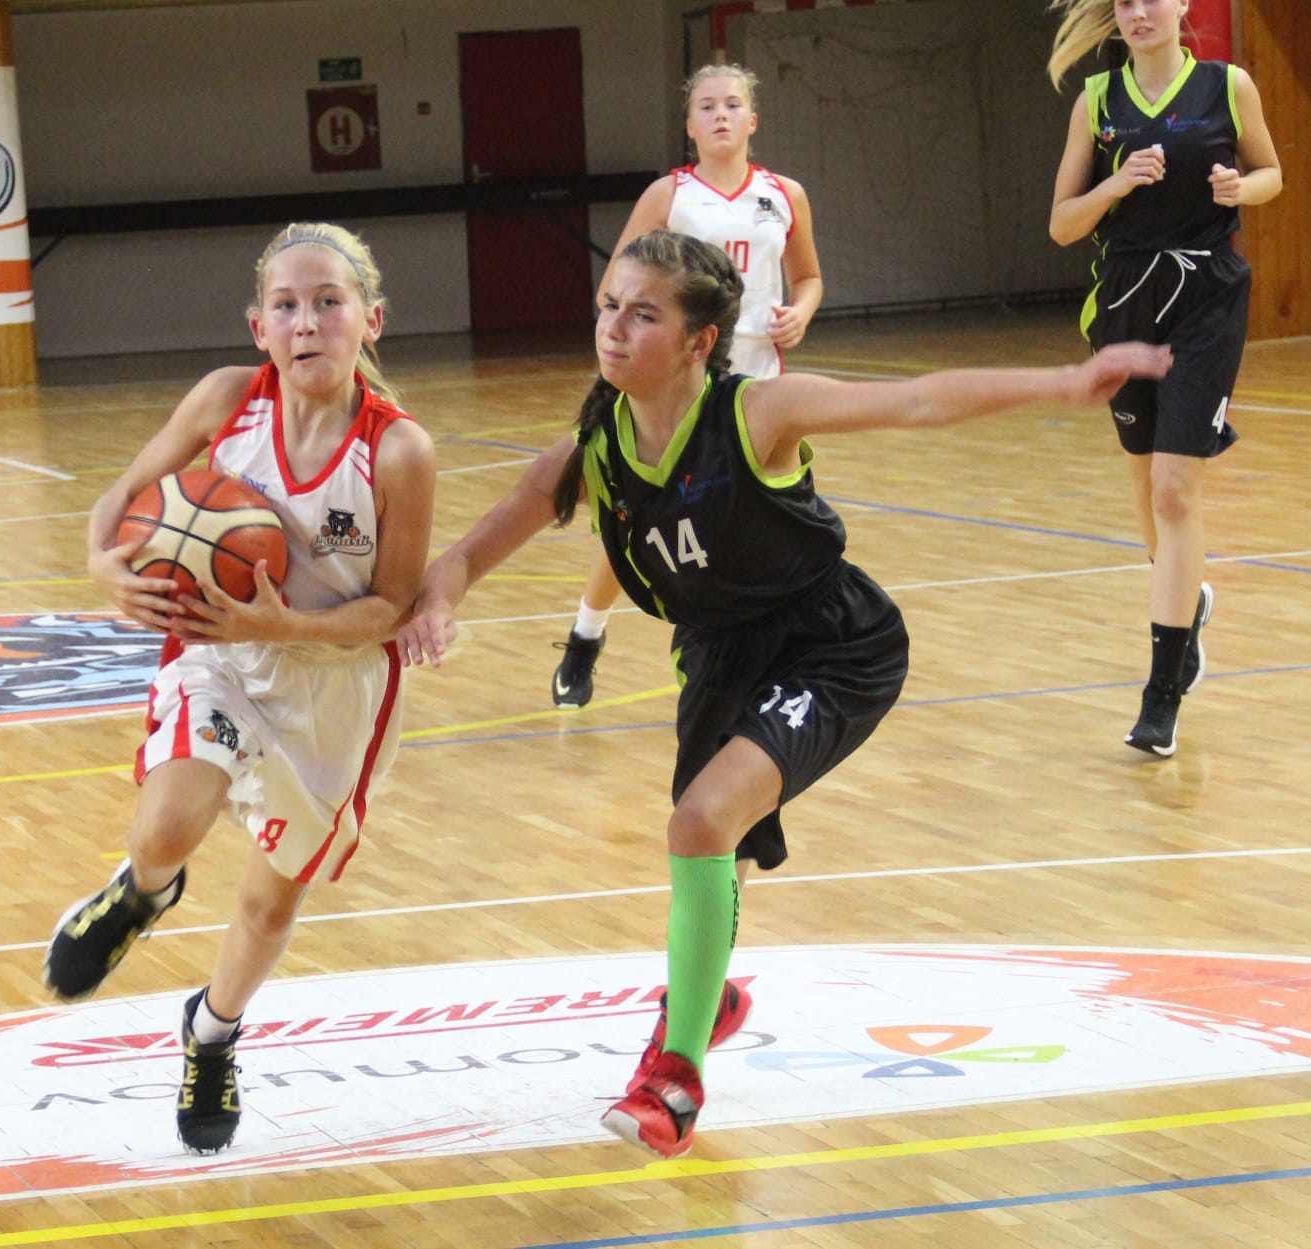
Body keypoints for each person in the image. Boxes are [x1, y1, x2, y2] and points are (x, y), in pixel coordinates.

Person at [396, 229, 1171, 1158]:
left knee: (699, 822)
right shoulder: (594, 449)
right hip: (718, 658)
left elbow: (917, 400)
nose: (613, 327)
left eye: (642, 314)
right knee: (712, 842)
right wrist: (437, 599)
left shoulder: (758, 413)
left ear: (699, 341)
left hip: (831, 645)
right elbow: (471, 549)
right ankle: (706, 998)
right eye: (608, 306)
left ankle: (675, 1079)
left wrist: (1062, 382)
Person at [42, 222, 436, 1155]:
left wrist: (286, 626)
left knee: (269, 903)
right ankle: (141, 893)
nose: (308, 322)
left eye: (329, 302)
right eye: (286, 305)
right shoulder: (227, 400)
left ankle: (212, 1032)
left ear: (371, 320)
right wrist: (102, 564)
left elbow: (390, 607)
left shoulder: (398, 451)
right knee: (166, 828)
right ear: (259, 327)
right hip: (218, 652)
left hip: (335, 681)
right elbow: (119, 497)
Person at [550, 62, 823, 709]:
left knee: (771, 523)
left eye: (732, 104)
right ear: (689, 125)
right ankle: (586, 634)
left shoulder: (785, 194)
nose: (721, 114)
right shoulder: (668, 197)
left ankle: (770, 652)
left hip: (757, 383)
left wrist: (802, 311)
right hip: (678, 382)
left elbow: (808, 276)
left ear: (753, 120)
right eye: (707, 106)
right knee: (639, 521)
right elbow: (612, 289)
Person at [1047, 0, 1281, 755]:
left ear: (1182, 4)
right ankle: (1189, 601)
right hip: (1124, 300)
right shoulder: (1096, 101)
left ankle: (1162, 691)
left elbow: (1272, 172)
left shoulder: (1227, 85)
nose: (1139, 11)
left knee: (1177, 489)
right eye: (1124, 1)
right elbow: (1063, 224)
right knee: (1147, 484)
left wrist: (1242, 189)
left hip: (1206, 300)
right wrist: (1115, 185)